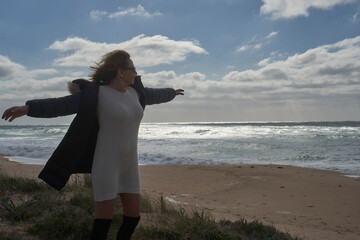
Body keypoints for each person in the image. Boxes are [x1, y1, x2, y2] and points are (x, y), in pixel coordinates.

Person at [2, 50, 184, 240]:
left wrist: (172, 92)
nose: (136, 73)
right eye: (132, 69)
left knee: (133, 218)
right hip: (106, 164)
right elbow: (62, 105)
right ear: (120, 71)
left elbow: (156, 94)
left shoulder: (136, 93)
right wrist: (29, 108)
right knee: (102, 225)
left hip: (130, 165)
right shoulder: (97, 94)